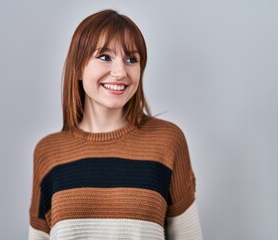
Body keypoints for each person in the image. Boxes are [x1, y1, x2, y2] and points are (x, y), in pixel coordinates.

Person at [29, 9, 203, 240]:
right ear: (78, 67)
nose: (120, 72)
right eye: (105, 57)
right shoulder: (48, 153)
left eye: (131, 59)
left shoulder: (168, 141)